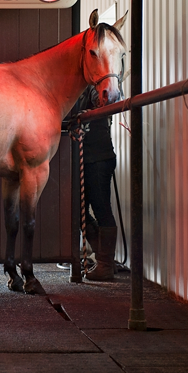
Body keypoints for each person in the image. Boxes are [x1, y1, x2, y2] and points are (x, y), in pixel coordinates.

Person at [69, 84, 118, 281]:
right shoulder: (79, 90)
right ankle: (104, 258)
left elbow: (103, 97)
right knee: (80, 213)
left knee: (101, 209)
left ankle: (105, 264)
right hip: (90, 159)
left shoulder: (95, 86)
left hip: (98, 158)